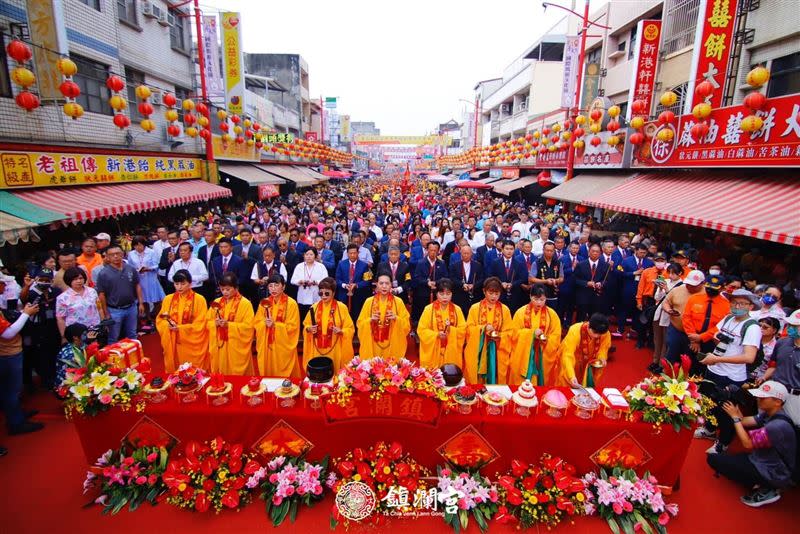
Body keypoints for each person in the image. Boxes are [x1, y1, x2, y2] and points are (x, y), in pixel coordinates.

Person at [707, 381, 796, 508]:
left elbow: (747, 444)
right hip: (762, 460)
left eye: (763, 398)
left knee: (714, 460)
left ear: (777, 401)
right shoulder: (769, 414)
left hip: (773, 471)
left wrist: (735, 418)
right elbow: (744, 422)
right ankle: (757, 482)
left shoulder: (777, 426)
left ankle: (768, 488)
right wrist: (735, 411)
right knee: (722, 459)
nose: (758, 399)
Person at [697, 289, 763, 454]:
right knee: (709, 404)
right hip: (714, 369)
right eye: (734, 302)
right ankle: (710, 429)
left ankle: (724, 442)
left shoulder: (752, 327)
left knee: (726, 411)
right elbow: (716, 335)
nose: (736, 306)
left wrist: (718, 359)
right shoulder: (729, 318)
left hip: (730, 376)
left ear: (750, 306)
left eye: (741, 303)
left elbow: (749, 357)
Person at [1, 299, 43, 436]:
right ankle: (16, 422)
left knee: (12, 390)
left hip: (11, 353)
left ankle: (16, 414)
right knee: (11, 391)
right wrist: (26, 314)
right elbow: (8, 334)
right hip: (7, 355)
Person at [155, 270, 209, 373]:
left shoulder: (199, 299)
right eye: (176, 284)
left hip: (191, 343)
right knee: (177, 372)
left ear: (190, 283)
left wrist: (180, 328)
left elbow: (201, 323)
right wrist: (168, 325)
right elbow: (160, 320)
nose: (179, 287)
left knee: (194, 373)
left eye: (183, 284)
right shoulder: (168, 299)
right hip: (174, 342)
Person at [508, 284, 562, 386]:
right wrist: (531, 334)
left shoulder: (552, 314)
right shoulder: (520, 312)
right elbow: (514, 334)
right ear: (530, 296)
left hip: (543, 352)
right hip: (523, 354)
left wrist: (546, 339)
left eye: (542, 299)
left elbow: (556, 335)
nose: (539, 303)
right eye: (536, 299)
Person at [463, 277, 513, 385]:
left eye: (497, 294)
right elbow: (468, 329)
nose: (493, 297)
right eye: (490, 293)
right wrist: (482, 328)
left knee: (496, 377)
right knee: (477, 378)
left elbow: (509, 332)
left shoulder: (505, 310)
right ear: (484, 291)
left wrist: (499, 336)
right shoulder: (475, 308)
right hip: (479, 350)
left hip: (497, 351)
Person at [19, 268, 61, 390]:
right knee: (38, 355)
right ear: (36, 280)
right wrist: (27, 286)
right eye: (41, 279)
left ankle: (53, 379)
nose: (44, 282)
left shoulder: (56, 291)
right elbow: (23, 299)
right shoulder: (32, 292)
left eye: (47, 280)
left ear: (51, 280)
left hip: (53, 327)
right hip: (37, 329)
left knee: (53, 353)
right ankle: (41, 381)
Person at [302, 277, 355, 372]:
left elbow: (350, 328)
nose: (323, 296)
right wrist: (309, 329)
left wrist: (341, 331)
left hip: (335, 348)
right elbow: (306, 325)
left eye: (327, 293)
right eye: (320, 293)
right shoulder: (314, 307)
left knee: (334, 372)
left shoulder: (341, 307)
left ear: (333, 293)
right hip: (317, 348)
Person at [253, 274, 301, 378]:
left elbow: (293, 327)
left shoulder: (291, 304)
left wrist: (276, 325)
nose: (273, 289)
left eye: (276, 285)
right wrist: (264, 324)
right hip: (267, 345)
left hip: (282, 346)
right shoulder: (264, 303)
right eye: (270, 286)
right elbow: (256, 322)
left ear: (283, 286)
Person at [206, 273, 254, 375]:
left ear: (236, 288)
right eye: (222, 289)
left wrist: (229, 325)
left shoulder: (245, 304)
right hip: (220, 345)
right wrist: (215, 323)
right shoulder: (217, 302)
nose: (225, 292)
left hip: (236, 346)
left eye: (228, 289)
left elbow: (248, 327)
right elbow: (207, 322)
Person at [95, 245, 145, 344]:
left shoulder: (130, 268)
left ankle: (134, 354)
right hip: (114, 310)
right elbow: (101, 294)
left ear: (123, 254)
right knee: (113, 337)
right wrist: (106, 313)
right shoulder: (103, 274)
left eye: (118, 253)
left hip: (131, 307)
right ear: (107, 257)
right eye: (112, 255)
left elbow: (137, 285)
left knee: (132, 334)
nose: (115, 256)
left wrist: (141, 303)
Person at [357, 273, 411, 361]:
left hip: (392, 344)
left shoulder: (398, 302)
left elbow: (407, 326)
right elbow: (360, 324)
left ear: (391, 285)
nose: (384, 286)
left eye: (387, 283)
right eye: (381, 283)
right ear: (376, 285)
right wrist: (370, 320)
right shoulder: (369, 302)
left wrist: (396, 318)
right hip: (373, 344)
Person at [682, 274, 730, 373]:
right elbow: (687, 318)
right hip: (691, 338)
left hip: (711, 341)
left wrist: (701, 337)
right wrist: (694, 339)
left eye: (714, 288)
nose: (710, 290)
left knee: (704, 369)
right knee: (687, 365)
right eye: (708, 287)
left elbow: (721, 326)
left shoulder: (726, 305)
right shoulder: (694, 299)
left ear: (722, 289)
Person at [417, 278, 466, 370]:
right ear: (436, 294)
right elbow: (421, 330)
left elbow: (463, 330)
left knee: (450, 376)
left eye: (448, 294)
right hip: (434, 351)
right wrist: (436, 335)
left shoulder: (457, 310)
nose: (445, 297)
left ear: (452, 294)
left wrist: (451, 330)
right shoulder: (428, 309)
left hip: (451, 351)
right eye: (442, 294)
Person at [554, 313, 611, 387]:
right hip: (573, 361)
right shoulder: (575, 330)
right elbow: (567, 355)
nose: (596, 336)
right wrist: (571, 375)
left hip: (589, 364)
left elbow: (603, 348)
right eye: (594, 332)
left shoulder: (605, 333)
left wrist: (602, 357)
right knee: (566, 384)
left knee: (586, 389)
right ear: (588, 326)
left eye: (599, 334)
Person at [662, 270, 706, 364]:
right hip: (676, 329)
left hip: (695, 334)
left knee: (688, 359)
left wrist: (697, 339)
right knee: (671, 354)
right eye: (688, 284)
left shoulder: (707, 294)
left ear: (702, 283)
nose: (689, 287)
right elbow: (666, 302)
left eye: (693, 285)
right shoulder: (678, 289)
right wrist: (669, 310)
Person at [650, 263, 685, 372]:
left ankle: (662, 364)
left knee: (666, 341)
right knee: (657, 339)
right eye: (669, 272)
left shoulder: (682, 286)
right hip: (659, 313)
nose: (670, 275)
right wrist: (660, 289)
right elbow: (657, 297)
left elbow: (675, 301)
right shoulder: (667, 281)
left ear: (680, 273)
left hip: (669, 316)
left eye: (673, 273)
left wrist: (666, 289)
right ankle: (655, 361)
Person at [768, 309, 800, 425]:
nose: (791, 327)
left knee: (792, 426)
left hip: (795, 397)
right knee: (768, 423)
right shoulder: (782, 342)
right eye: (790, 324)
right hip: (775, 391)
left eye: (795, 325)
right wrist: (764, 378)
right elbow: (773, 365)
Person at [617, 244, 653, 341]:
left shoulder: (649, 263)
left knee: (637, 311)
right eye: (641, 252)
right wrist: (633, 273)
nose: (643, 254)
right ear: (636, 251)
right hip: (628, 290)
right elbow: (619, 273)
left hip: (641, 292)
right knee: (623, 310)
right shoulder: (626, 261)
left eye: (645, 253)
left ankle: (634, 330)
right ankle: (620, 329)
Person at [55, 267, 101, 342]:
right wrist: (63, 336)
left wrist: (102, 323)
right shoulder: (62, 298)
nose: (79, 281)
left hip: (94, 329)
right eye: (75, 279)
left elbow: (99, 308)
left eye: (80, 278)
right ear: (69, 280)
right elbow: (60, 318)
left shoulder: (92, 291)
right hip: (76, 334)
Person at [127, 236, 165, 321]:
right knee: (144, 299)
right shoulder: (131, 254)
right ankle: (148, 318)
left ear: (144, 245)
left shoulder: (151, 252)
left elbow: (157, 265)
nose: (138, 247)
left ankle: (158, 316)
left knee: (156, 299)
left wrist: (149, 268)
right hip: (139, 278)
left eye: (140, 245)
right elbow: (130, 266)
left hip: (150, 277)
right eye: (136, 245)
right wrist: (137, 270)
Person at [335, 244, 372, 324]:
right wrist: (344, 285)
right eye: (350, 253)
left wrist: (356, 285)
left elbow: (368, 281)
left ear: (358, 253)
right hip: (344, 294)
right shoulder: (341, 264)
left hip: (358, 295)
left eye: (354, 253)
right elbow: (337, 279)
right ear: (347, 253)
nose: (352, 255)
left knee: (357, 314)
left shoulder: (364, 265)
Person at [573, 243, 611, 322]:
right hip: (583, 296)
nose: (595, 253)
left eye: (597, 252)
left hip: (597, 297)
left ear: (600, 253)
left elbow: (607, 280)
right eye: (593, 251)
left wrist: (600, 283)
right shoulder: (581, 264)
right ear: (588, 252)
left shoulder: (605, 265)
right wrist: (586, 283)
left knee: (594, 320)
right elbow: (575, 280)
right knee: (581, 319)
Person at [412, 241, 448, 322]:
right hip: (423, 293)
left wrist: (436, 283)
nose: (433, 252)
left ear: (438, 251)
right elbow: (417, 277)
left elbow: (445, 277)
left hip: (437, 293)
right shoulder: (421, 263)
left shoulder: (441, 263)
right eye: (431, 250)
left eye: (435, 250)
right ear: (427, 250)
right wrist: (426, 282)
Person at [489, 239, 527, 313]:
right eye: (507, 249)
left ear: (514, 250)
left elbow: (523, 278)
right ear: (502, 250)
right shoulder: (495, 262)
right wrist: (501, 283)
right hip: (499, 295)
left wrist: (512, 284)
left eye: (511, 249)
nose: (509, 251)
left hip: (515, 296)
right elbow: (491, 276)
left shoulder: (519, 263)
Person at [291, 248, 329, 320]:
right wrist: (300, 281)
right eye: (307, 254)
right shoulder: (299, 266)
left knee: (316, 318)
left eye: (311, 254)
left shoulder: (321, 266)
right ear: (304, 255)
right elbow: (293, 280)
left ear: (315, 256)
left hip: (316, 296)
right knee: (304, 318)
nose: (308, 256)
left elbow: (326, 280)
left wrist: (316, 282)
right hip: (303, 297)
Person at [449, 244, 484, 319]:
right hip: (459, 296)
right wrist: (462, 285)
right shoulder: (455, 266)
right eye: (464, 253)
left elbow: (482, 279)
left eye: (468, 253)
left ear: (471, 254)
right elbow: (452, 278)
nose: (466, 255)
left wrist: (473, 285)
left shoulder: (478, 265)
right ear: (460, 254)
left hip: (474, 296)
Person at [530, 241, 563, 312]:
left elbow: (561, 278)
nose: (549, 252)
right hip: (539, 296)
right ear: (543, 250)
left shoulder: (558, 262)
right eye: (547, 250)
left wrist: (555, 280)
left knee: (552, 314)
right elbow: (531, 279)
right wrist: (545, 281)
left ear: (554, 251)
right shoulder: (537, 263)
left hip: (553, 294)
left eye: (551, 251)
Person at [558, 241, 581, 326]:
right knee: (561, 307)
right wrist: (572, 268)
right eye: (573, 248)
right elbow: (560, 272)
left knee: (571, 308)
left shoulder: (581, 259)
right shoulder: (562, 258)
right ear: (570, 248)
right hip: (564, 287)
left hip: (576, 288)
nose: (575, 250)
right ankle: (559, 323)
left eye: (577, 248)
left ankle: (568, 324)